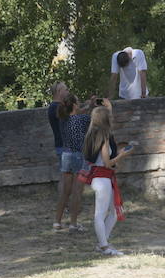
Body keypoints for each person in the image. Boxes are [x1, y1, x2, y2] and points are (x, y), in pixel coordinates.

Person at [82, 101, 134, 256]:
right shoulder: (102, 139)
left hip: (104, 178)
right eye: (109, 118)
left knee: (114, 212)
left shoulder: (94, 135)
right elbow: (107, 163)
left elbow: (106, 164)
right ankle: (104, 247)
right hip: (102, 179)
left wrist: (109, 108)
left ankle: (103, 243)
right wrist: (122, 155)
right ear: (105, 121)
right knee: (100, 214)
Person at [49, 82, 86, 231]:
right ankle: (73, 223)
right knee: (77, 191)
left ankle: (57, 222)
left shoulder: (63, 119)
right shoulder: (82, 120)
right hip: (78, 156)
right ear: (75, 106)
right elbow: (96, 122)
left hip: (66, 155)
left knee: (65, 190)